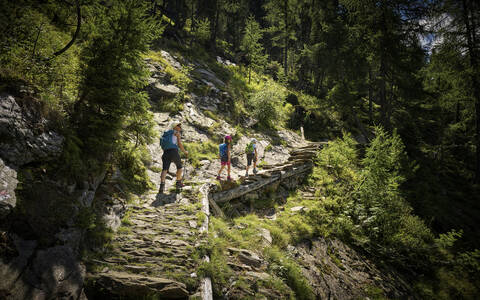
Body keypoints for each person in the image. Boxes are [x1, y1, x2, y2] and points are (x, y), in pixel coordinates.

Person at [159, 122, 188, 194]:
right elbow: (179, 144)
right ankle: (178, 183)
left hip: (165, 152)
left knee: (164, 169)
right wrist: (185, 152)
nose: (180, 127)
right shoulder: (176, 133)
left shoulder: (166, 133)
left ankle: (161, 186)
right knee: (179, 167)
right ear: (175, 126)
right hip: (173, 151)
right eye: (179, 126)